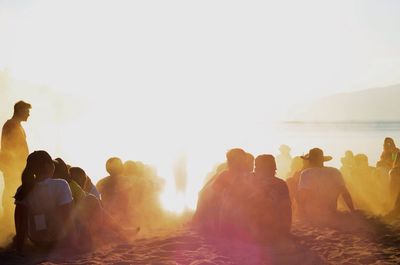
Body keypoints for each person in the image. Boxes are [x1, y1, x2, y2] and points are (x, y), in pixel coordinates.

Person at [14, 151, 76, 252]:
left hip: (36, 240)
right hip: (58, 240)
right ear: (47, 166)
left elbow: (21, 222)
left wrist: (19, 247)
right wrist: (74, 244)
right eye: (52, 163)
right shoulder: (61, 184)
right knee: (89, 202)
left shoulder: (23, 189)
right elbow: (67, 216)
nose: (54, 166)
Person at [298, 148, 355, 223]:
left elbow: (303, 194)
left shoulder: (306, 173)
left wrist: (301, 212)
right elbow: (344, 192)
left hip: (313, 214)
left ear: (310, 161)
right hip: (331, 211)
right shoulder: (334, 171)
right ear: (323, 160)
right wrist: (352, 210)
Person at [0, 100, 31, 237]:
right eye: (27, 111)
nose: (29, 114)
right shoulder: (11, 125)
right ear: (20, 111)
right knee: (12, 195)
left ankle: (14, 228)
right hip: (13, 168)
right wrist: (11, 166)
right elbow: (6, 147)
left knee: (17, 194)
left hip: (19, 168)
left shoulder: (17, 125)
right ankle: (9, 228)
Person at [246, 155, 291, 241]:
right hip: (272, 230)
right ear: (274, 168)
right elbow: (286, 209)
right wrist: (285, 230)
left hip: (247, 229)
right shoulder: (280, 183)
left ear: (256, 167)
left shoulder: (247, 180)